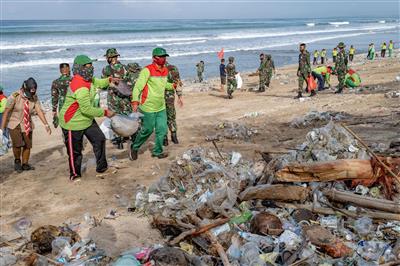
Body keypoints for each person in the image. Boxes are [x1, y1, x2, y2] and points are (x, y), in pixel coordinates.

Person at [59, 55, 116, 181]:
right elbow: (87, 109)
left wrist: (109, 80)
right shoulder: (80, 86)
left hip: (86, 119)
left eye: (91, 66)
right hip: (72, 122)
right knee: (75, 151)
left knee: (100, 139)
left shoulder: (87, 79)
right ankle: (75, 174)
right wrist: (106, 112)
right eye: (88, 66)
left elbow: (98, 82)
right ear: (80, 68)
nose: (91, 68)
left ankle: (102, 167)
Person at [129, 47, 176, 161]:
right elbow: (137, 88)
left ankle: (157, 151)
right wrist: (135, 102)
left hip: (161, 106)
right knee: (148, 130)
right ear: (155, 58)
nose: (164, 59)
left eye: (165, 57)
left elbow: (163, 85)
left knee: (162, 129)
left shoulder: (165, 70)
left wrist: (172, 86)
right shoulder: (147, 70)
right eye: (161, 57)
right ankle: (134, 147)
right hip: (148, 106)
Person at [0, 78, 51, 173]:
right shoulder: (14, 96)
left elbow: (38, 110)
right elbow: (6, 112)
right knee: (18, 144)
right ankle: (17, 161)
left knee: (28, 145)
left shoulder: (34, 97)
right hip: (14, 123)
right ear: (24, 88)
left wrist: (46, 124)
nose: (30, 96)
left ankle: (25, 164)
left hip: (27, 123)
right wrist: (1, 130)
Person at [102, 48, 129, 149]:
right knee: (125, 116)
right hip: (124, 97)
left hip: (113, 97)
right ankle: (127, 136)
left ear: (109, 58)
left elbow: (104, 85)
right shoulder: (125, 68)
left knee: (114, 118)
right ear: (117, 57)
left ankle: (119, 142)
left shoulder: (106, 69)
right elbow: (129, 83)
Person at [164, 63, 183, 146]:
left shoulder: (154, 69)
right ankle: (174, 136)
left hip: (159, 98)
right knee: (171, 116)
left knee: (162, 118)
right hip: (169, 97)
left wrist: (180, 96)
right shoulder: (172, 68)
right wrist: (179, 95)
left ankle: (165, 138)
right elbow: (178, 82)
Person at [51, 63, 71, 128]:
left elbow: (54, 97)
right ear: (69, 69)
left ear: (60, 70)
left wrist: (54, 110)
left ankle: (66, 136)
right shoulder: (74, 80)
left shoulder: (56, 82)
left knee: (64, 123)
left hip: (62, 104)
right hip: (73, 102)